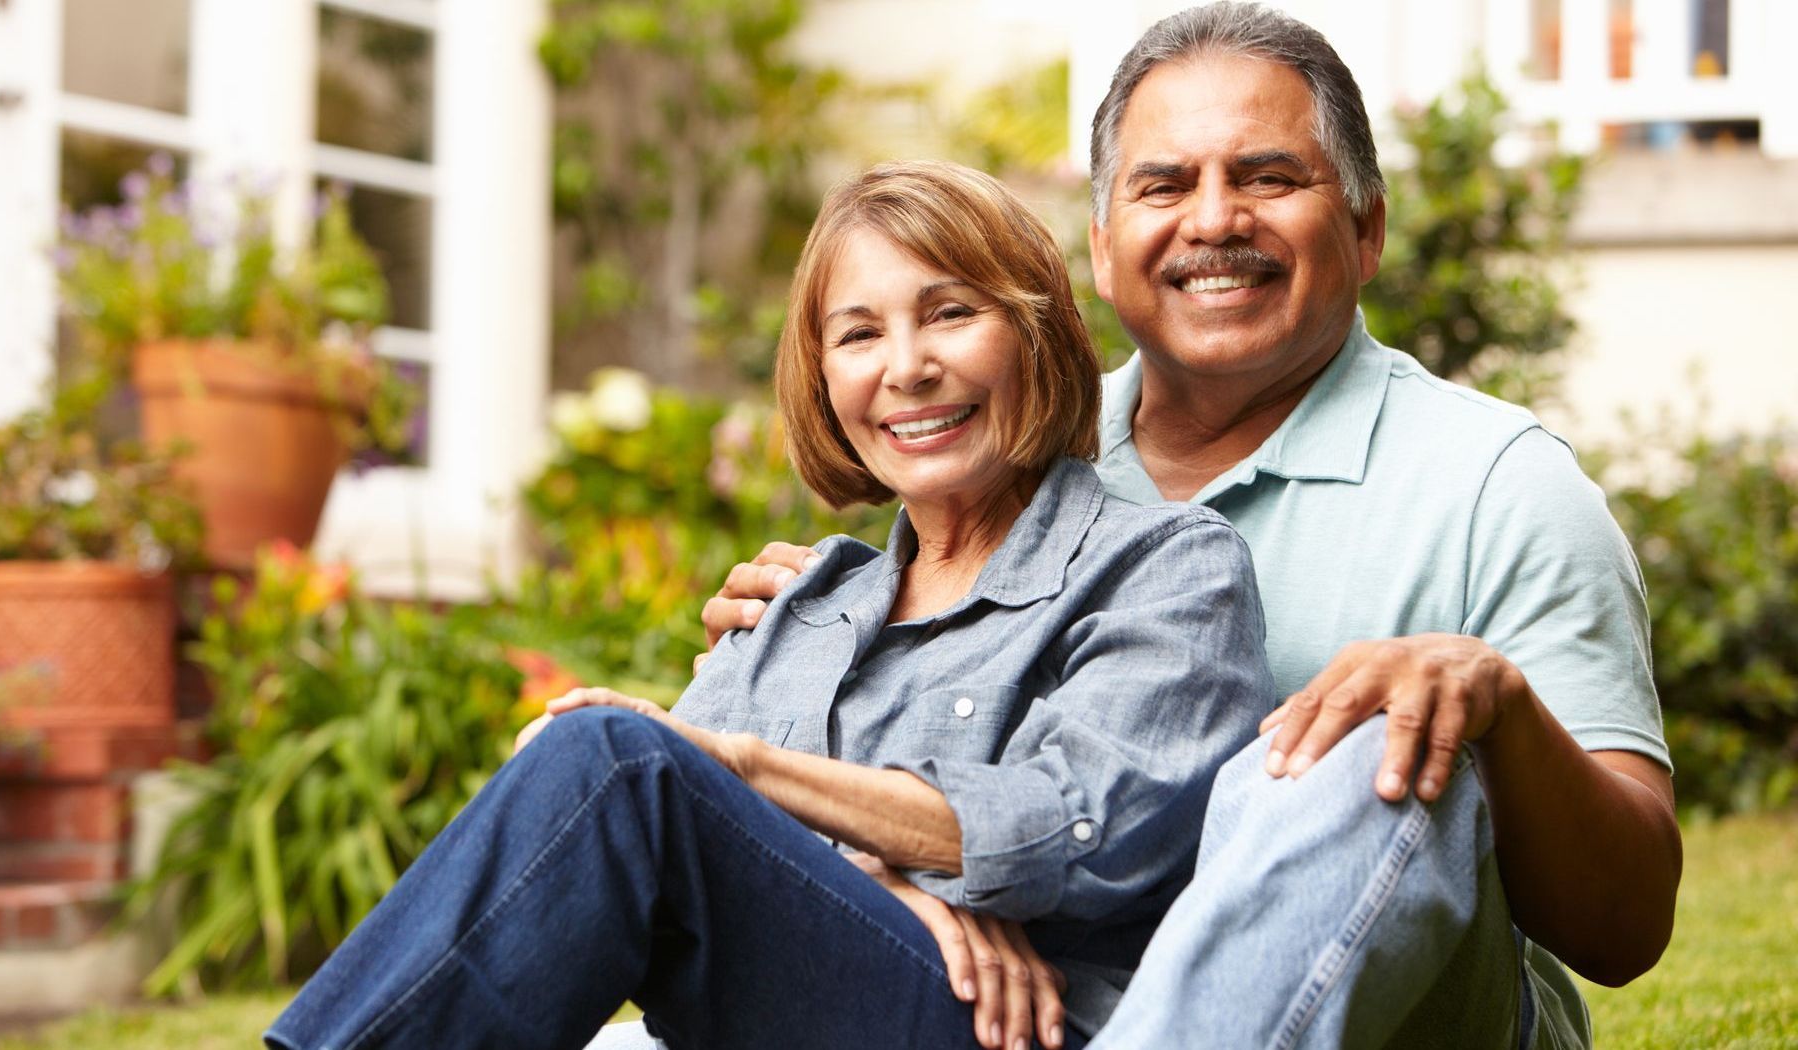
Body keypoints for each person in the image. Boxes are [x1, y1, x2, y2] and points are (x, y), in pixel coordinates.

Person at [702, 5, 1681, 1047]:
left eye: (1268, 177)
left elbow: (1624, 928)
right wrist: (810, 660)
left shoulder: (1499, 484)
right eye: (1163, 185)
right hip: (1043, 1018)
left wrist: (1500, 710)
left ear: (1366, 228)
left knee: (1357, 737)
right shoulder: (1002, 460)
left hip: (1403, 1022)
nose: (1213, 221)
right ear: (1104, 243)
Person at [266, 160, 1275, 1050]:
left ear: (1037, 333)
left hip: (1010, 1022)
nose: (906, 367)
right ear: (824, 376)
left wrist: (753, 771)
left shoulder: (1170, 566)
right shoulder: (805, 602)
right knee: (589, 754)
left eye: (953, 312)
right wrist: (877, 885)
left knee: (615, 755)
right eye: (859, 334)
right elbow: (655, 845)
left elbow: (1075, 826)